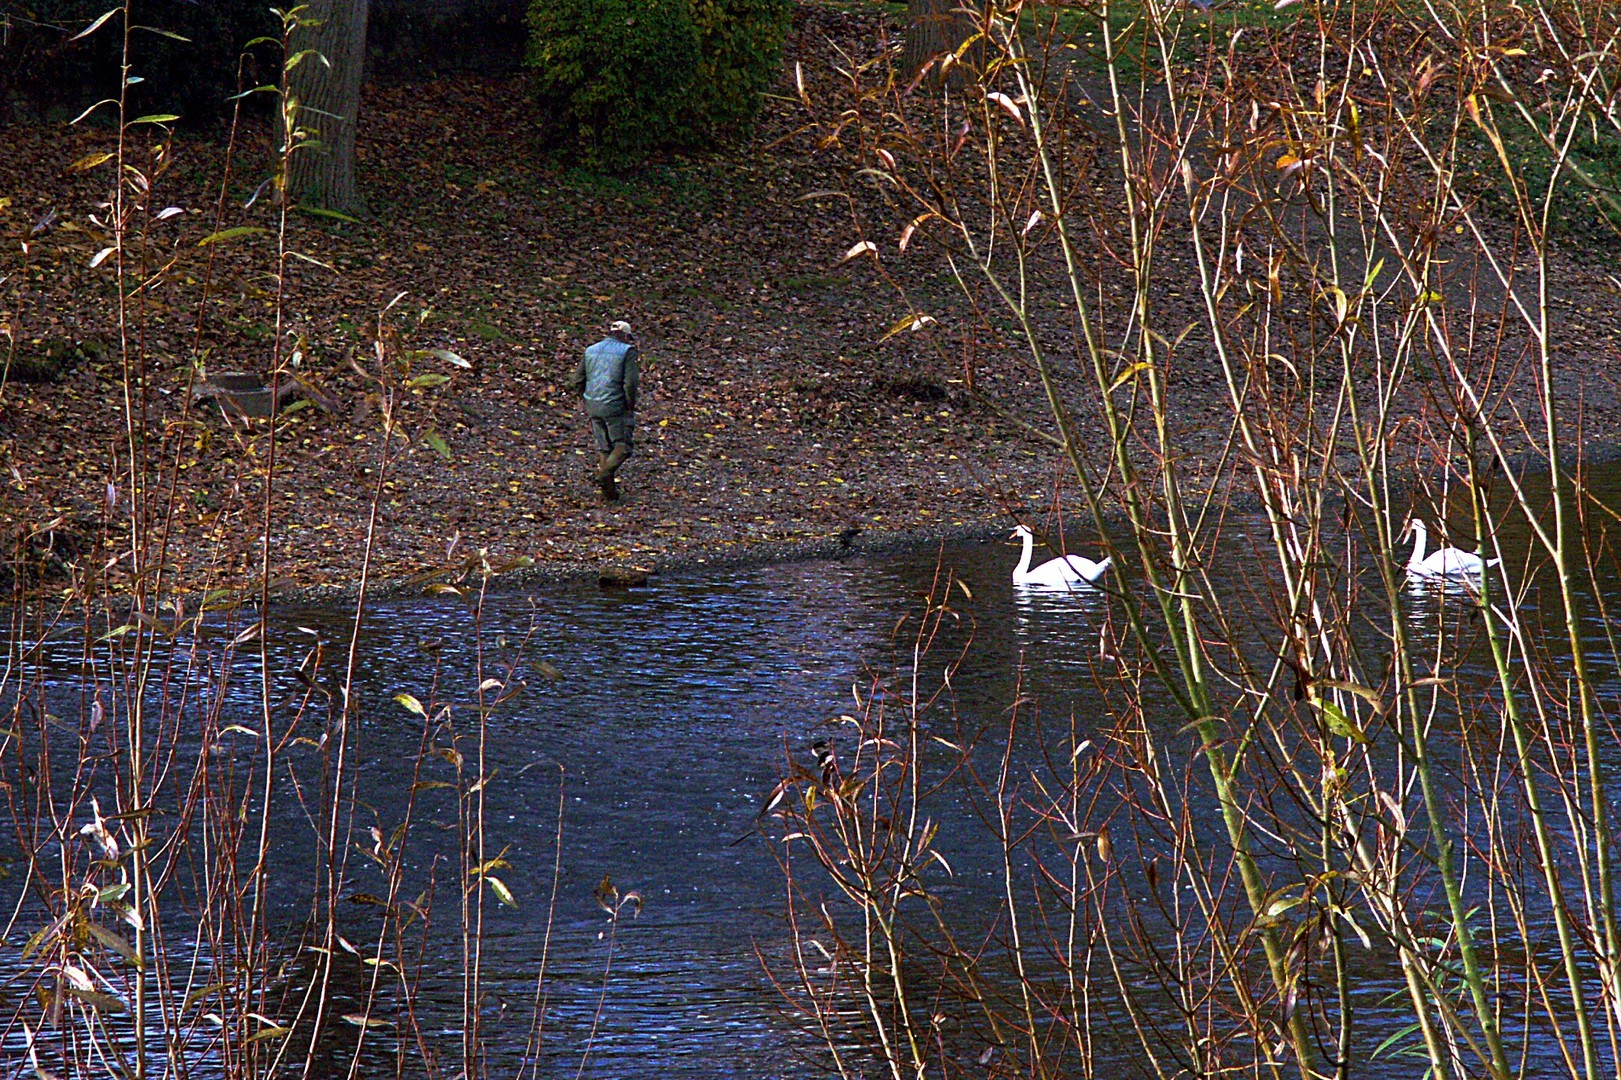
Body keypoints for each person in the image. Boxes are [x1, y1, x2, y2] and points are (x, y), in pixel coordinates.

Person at [569, 319, 640, 502]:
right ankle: (602, 476)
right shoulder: (627, 352)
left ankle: (609, 496)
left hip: (593, 405)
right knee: (622, 446)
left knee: (604, 448)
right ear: (625, 336)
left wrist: (584, 399)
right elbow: (630, 383)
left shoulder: (591, 350)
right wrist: (629, 405)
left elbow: (577, 380)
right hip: (615, 406)